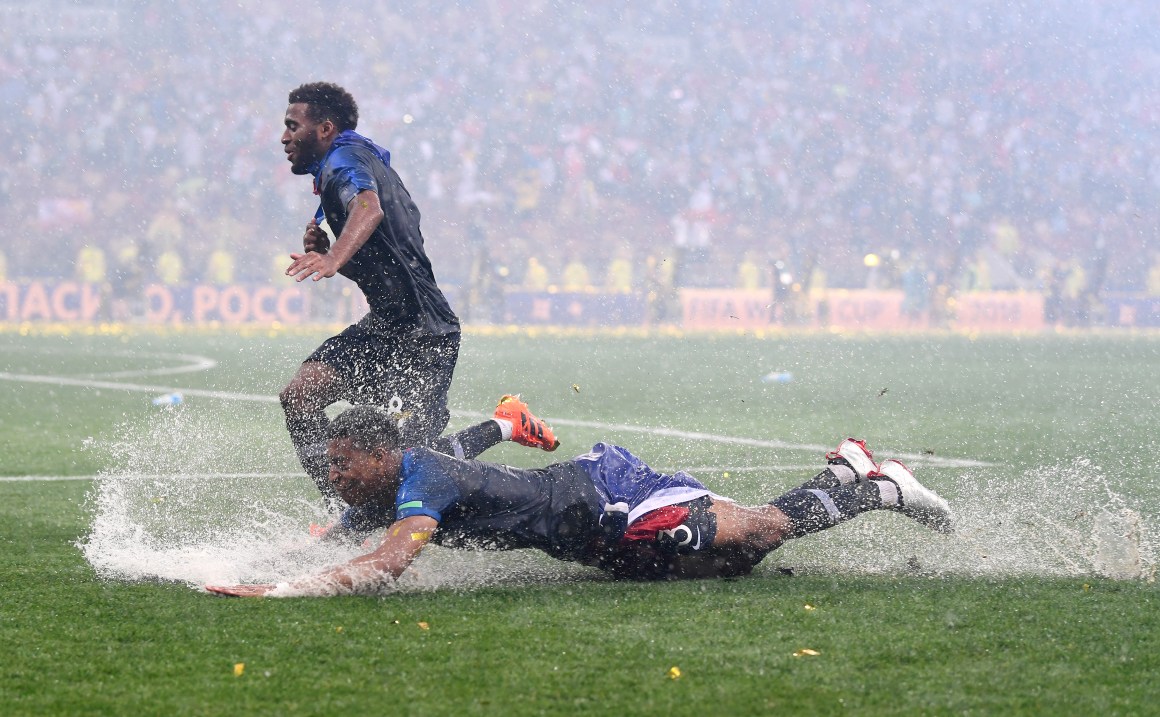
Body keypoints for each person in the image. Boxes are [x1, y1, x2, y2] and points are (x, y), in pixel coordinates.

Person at [207, 406, 953, 597]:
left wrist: (288, 593)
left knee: (762, 527)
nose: (334, 476)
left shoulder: (418, 482)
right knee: (742, 561)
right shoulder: (392, 482)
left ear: (376, 455)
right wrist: (254, 568)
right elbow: (334, 536)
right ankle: (854, 474)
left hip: (608, 500)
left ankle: (880, 487)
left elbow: (391, 562)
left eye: (341, 464)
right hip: (586, 540)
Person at [276, 82, 557, 506]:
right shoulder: (351, 162)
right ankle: (337, 510)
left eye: (292, 126)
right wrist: (338, 259)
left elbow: (369, 208)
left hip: (425, 334)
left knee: (409, 464)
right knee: (300, 396)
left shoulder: (345, 162)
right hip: (386, 325)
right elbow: (386, 264)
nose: (284, 137)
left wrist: (333, 255)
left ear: (326, 128)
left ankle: (505, 424)